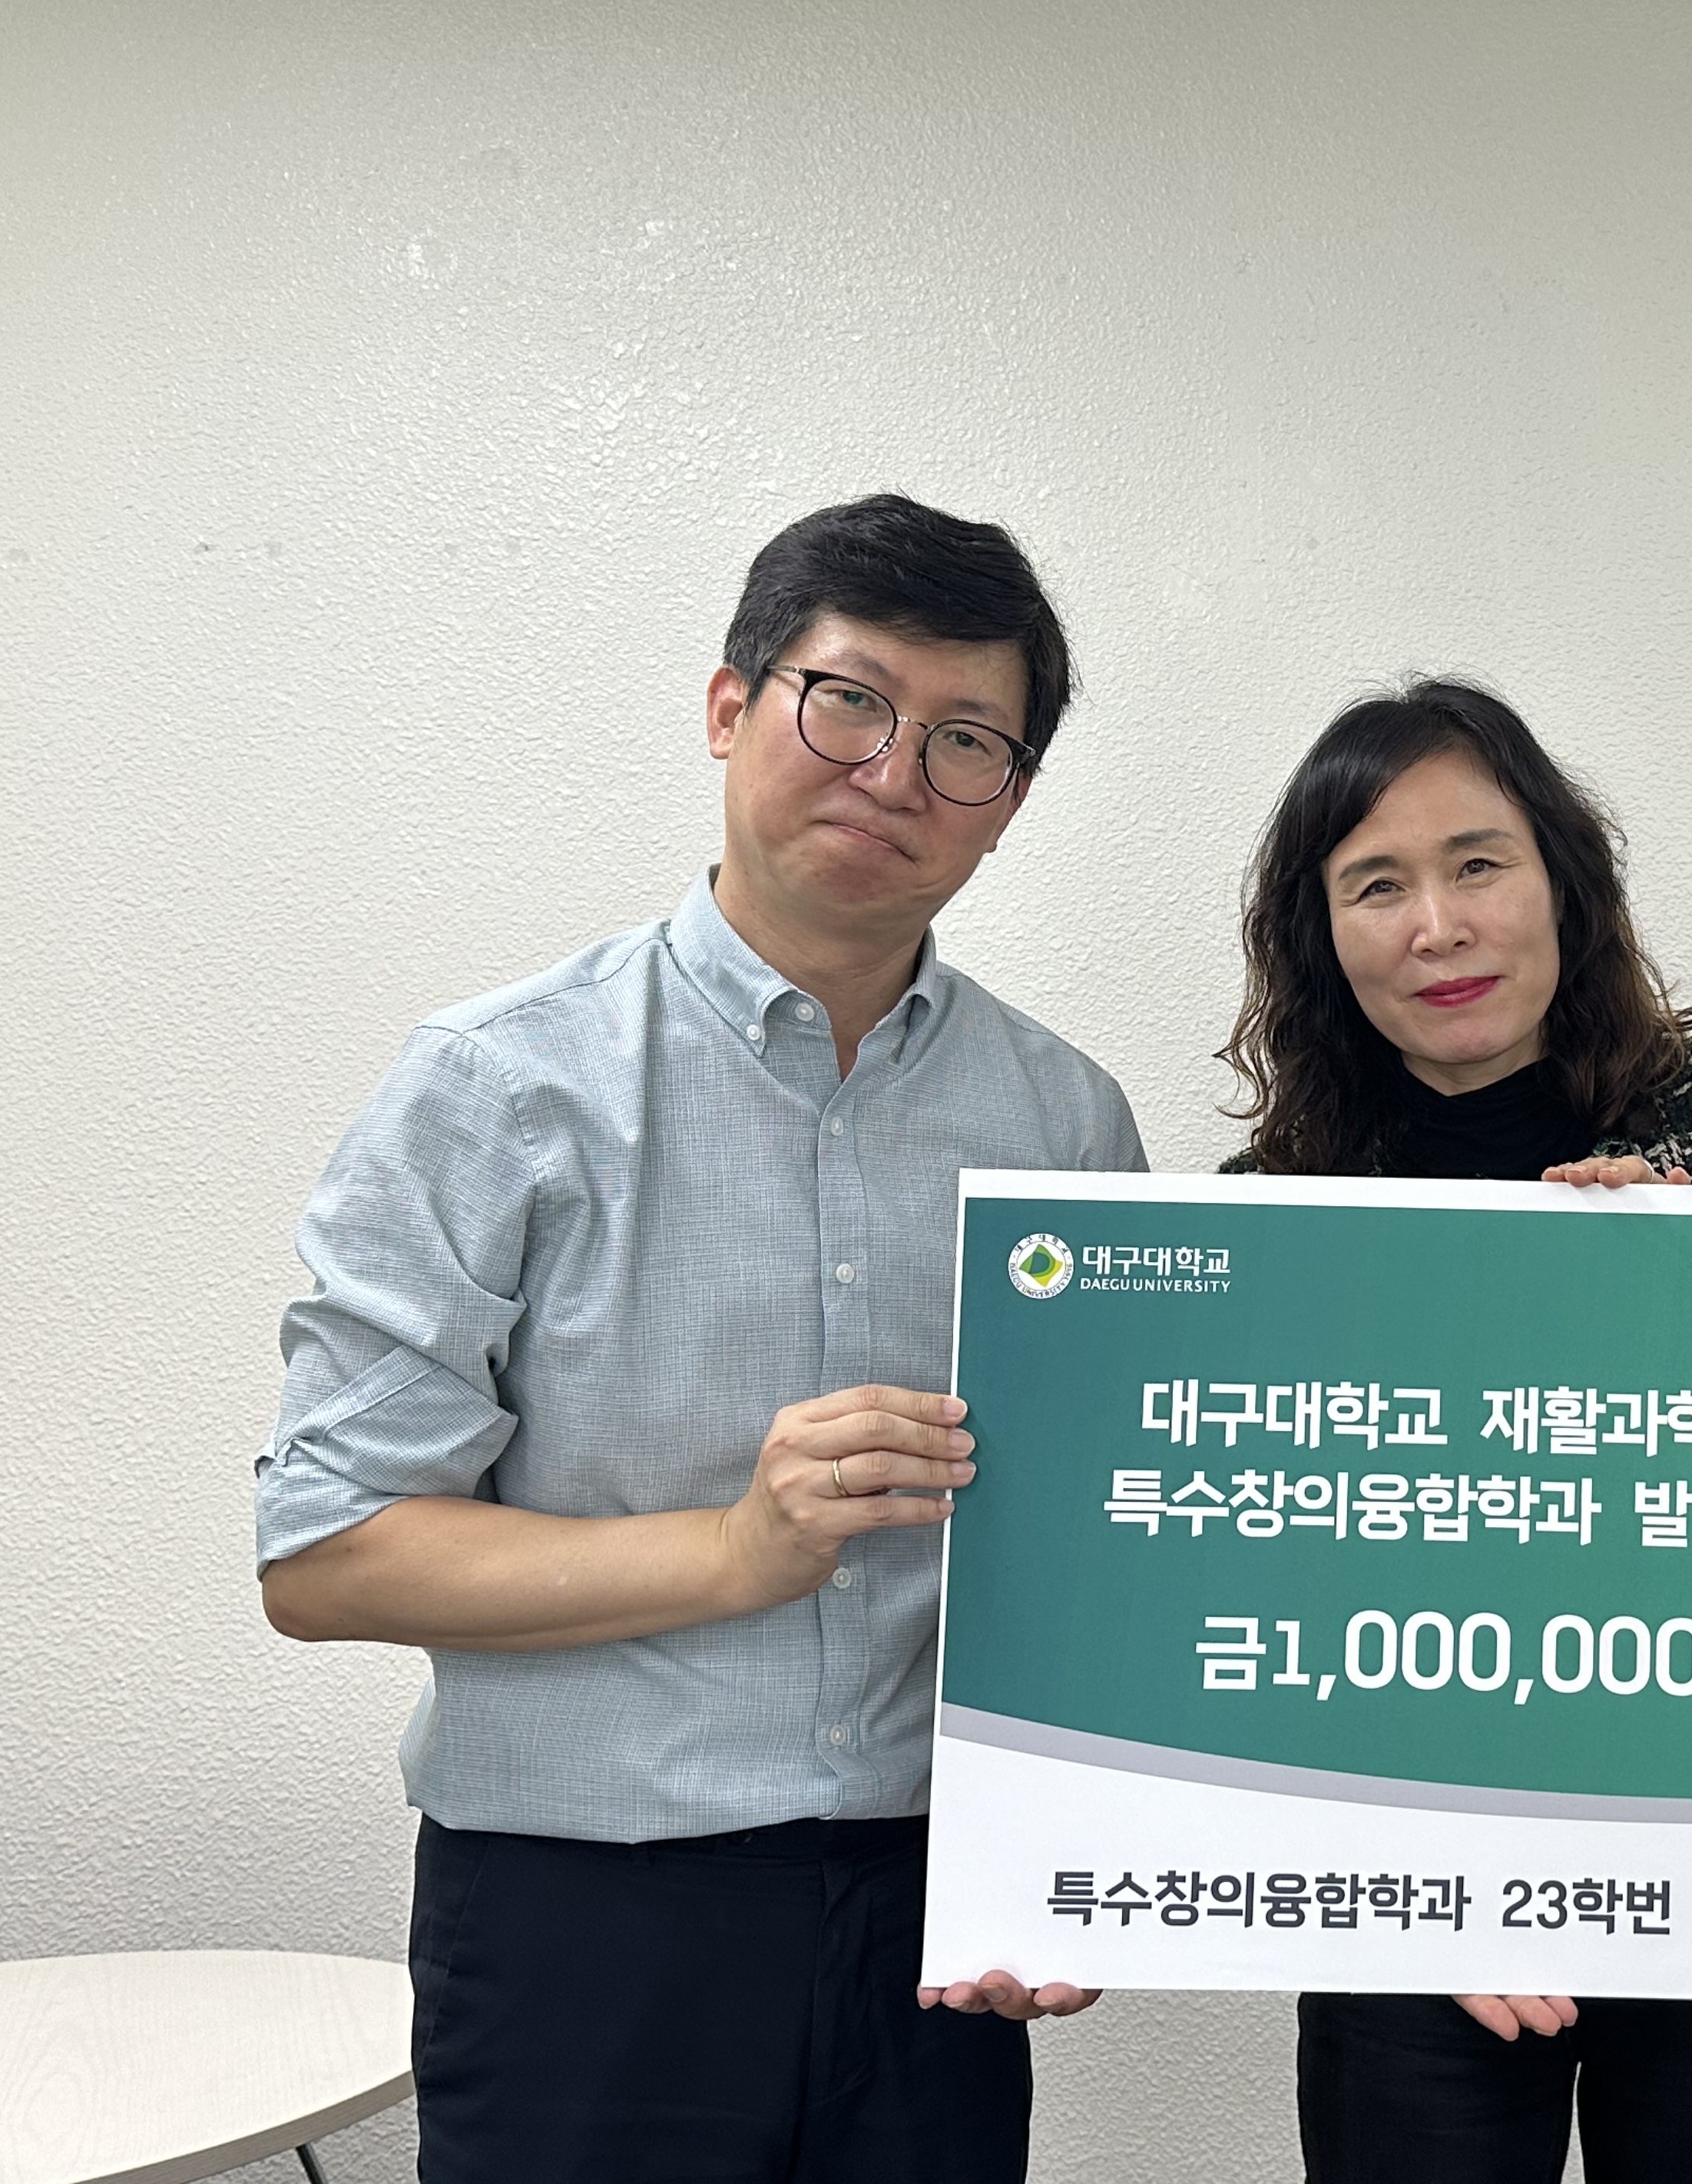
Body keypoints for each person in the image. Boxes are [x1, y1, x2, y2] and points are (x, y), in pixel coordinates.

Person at [256, 495, 1138, 2183]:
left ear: (1011, 802)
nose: (895, 773)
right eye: (849, 701)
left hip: (934, 1924)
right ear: (730, 706)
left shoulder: (1065, 1121)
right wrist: (735, 1552)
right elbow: (325, 1555)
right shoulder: (499, 1086)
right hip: (585, 1920)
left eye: (966, 741)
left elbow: (1099, 1550)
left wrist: (1068, 1856)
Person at [1221, 678, 1692, 2184]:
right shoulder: (1277, 1219)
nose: (1438, 927)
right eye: (1377, 885)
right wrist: (1415, 1883)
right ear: (1321, 936)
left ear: (1565, 885)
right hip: (1411, 1911)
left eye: (1478, 865)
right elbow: (1257, 1596)